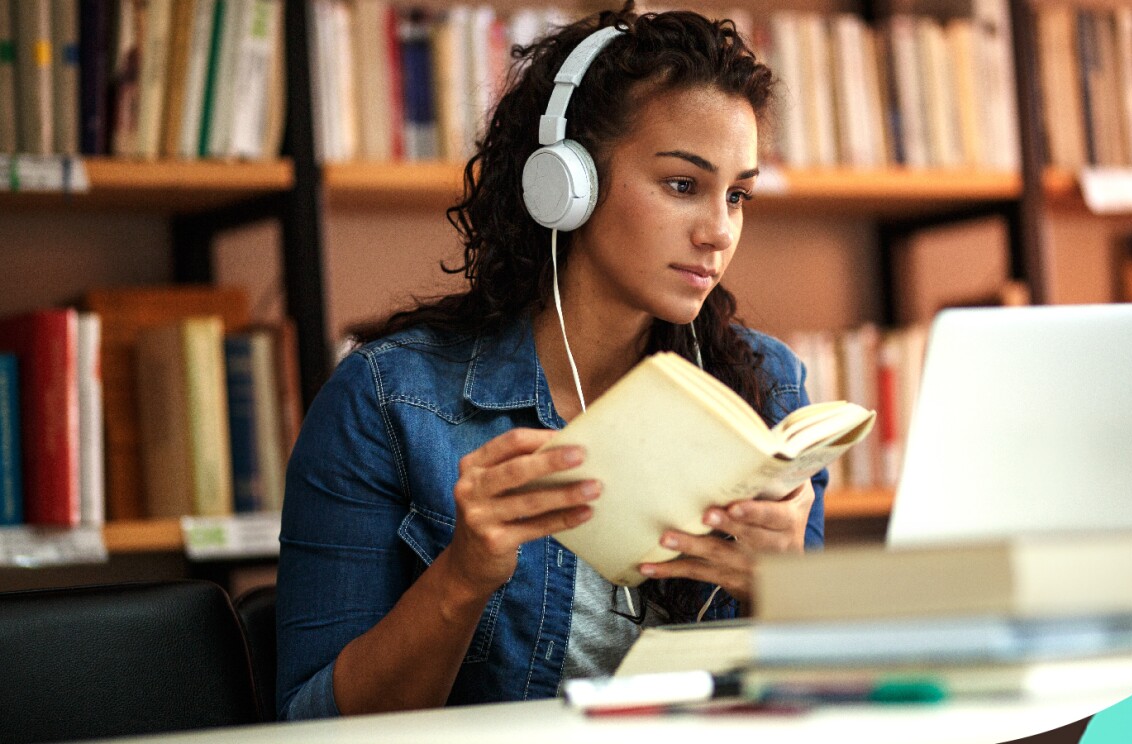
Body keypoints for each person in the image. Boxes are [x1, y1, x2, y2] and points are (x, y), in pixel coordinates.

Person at [276, 4, 828, 720]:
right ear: (568, 184)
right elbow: (313, 724)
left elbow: (811, 706)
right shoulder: (387, 402)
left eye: (738, 195)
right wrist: (464, 575)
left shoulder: (766, 389)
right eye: (682, 185)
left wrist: (786, 591)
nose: (719, 232)